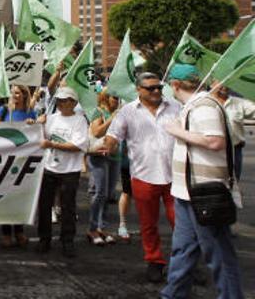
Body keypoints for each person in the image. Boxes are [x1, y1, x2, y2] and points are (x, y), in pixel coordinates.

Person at [159, 65, 243, 298]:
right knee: (183, 251)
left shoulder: (204, 106)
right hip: (188, 193)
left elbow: (215, 141)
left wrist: (177, 131)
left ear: (175, 85)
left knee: (219, 255)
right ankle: (173, 294)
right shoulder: (195, 105)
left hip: (204, 193)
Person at [104, 72, 181, 283]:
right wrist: (109, 144)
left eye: (159, 87)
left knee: (182, 224)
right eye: (151, 88)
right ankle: (154, 261)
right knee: (149, 224)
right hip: (143, 176)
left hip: (176, 176)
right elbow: (113, 135)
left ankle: (185, 263)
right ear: (139, 90)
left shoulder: (176, 106)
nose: (156, 91)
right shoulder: (127, 112)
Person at [33, 87, 88, 258]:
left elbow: (77, 146)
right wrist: (35, 123)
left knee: (68, 207)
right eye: (60, 100)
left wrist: (53, 145)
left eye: (66, 100)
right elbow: (39, 137)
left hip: (70, 170)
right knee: (44, 205)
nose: (62, 103)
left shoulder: (79, 121)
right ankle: (44, 238)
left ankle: (67, 241)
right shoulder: (50, 118)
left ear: (74, 102)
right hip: (49, 168)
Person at [0, 84, 37, 248]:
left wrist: (31, 124)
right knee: (5, 197)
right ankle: (6, 233)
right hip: (5, 160)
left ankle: (19, 232)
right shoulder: (4, 110)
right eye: (12, 93)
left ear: (24, 95)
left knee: (19, 197)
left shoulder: (29, 112)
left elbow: (35, 131)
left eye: (18, 93)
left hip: (22, 161)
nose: (15, 95)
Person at [86, 92, 120, 246]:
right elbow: (96, 132)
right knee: (99, 193)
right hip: (98, 156)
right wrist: (111, 120)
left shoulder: (116, 112)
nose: (117, 101)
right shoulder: (98, 111)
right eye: (115, 97)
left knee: (108, 194)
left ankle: (102, 227)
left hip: (113, 155)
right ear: (106, 98)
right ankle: (92, 228)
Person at [211, 81, 253, 181]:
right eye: (220, 81)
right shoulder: (203, 102)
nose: (224, 85)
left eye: (228, 81)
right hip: (210, 151)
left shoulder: (239, 103)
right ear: (212, 83)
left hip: (234, 151)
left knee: (233, 183)